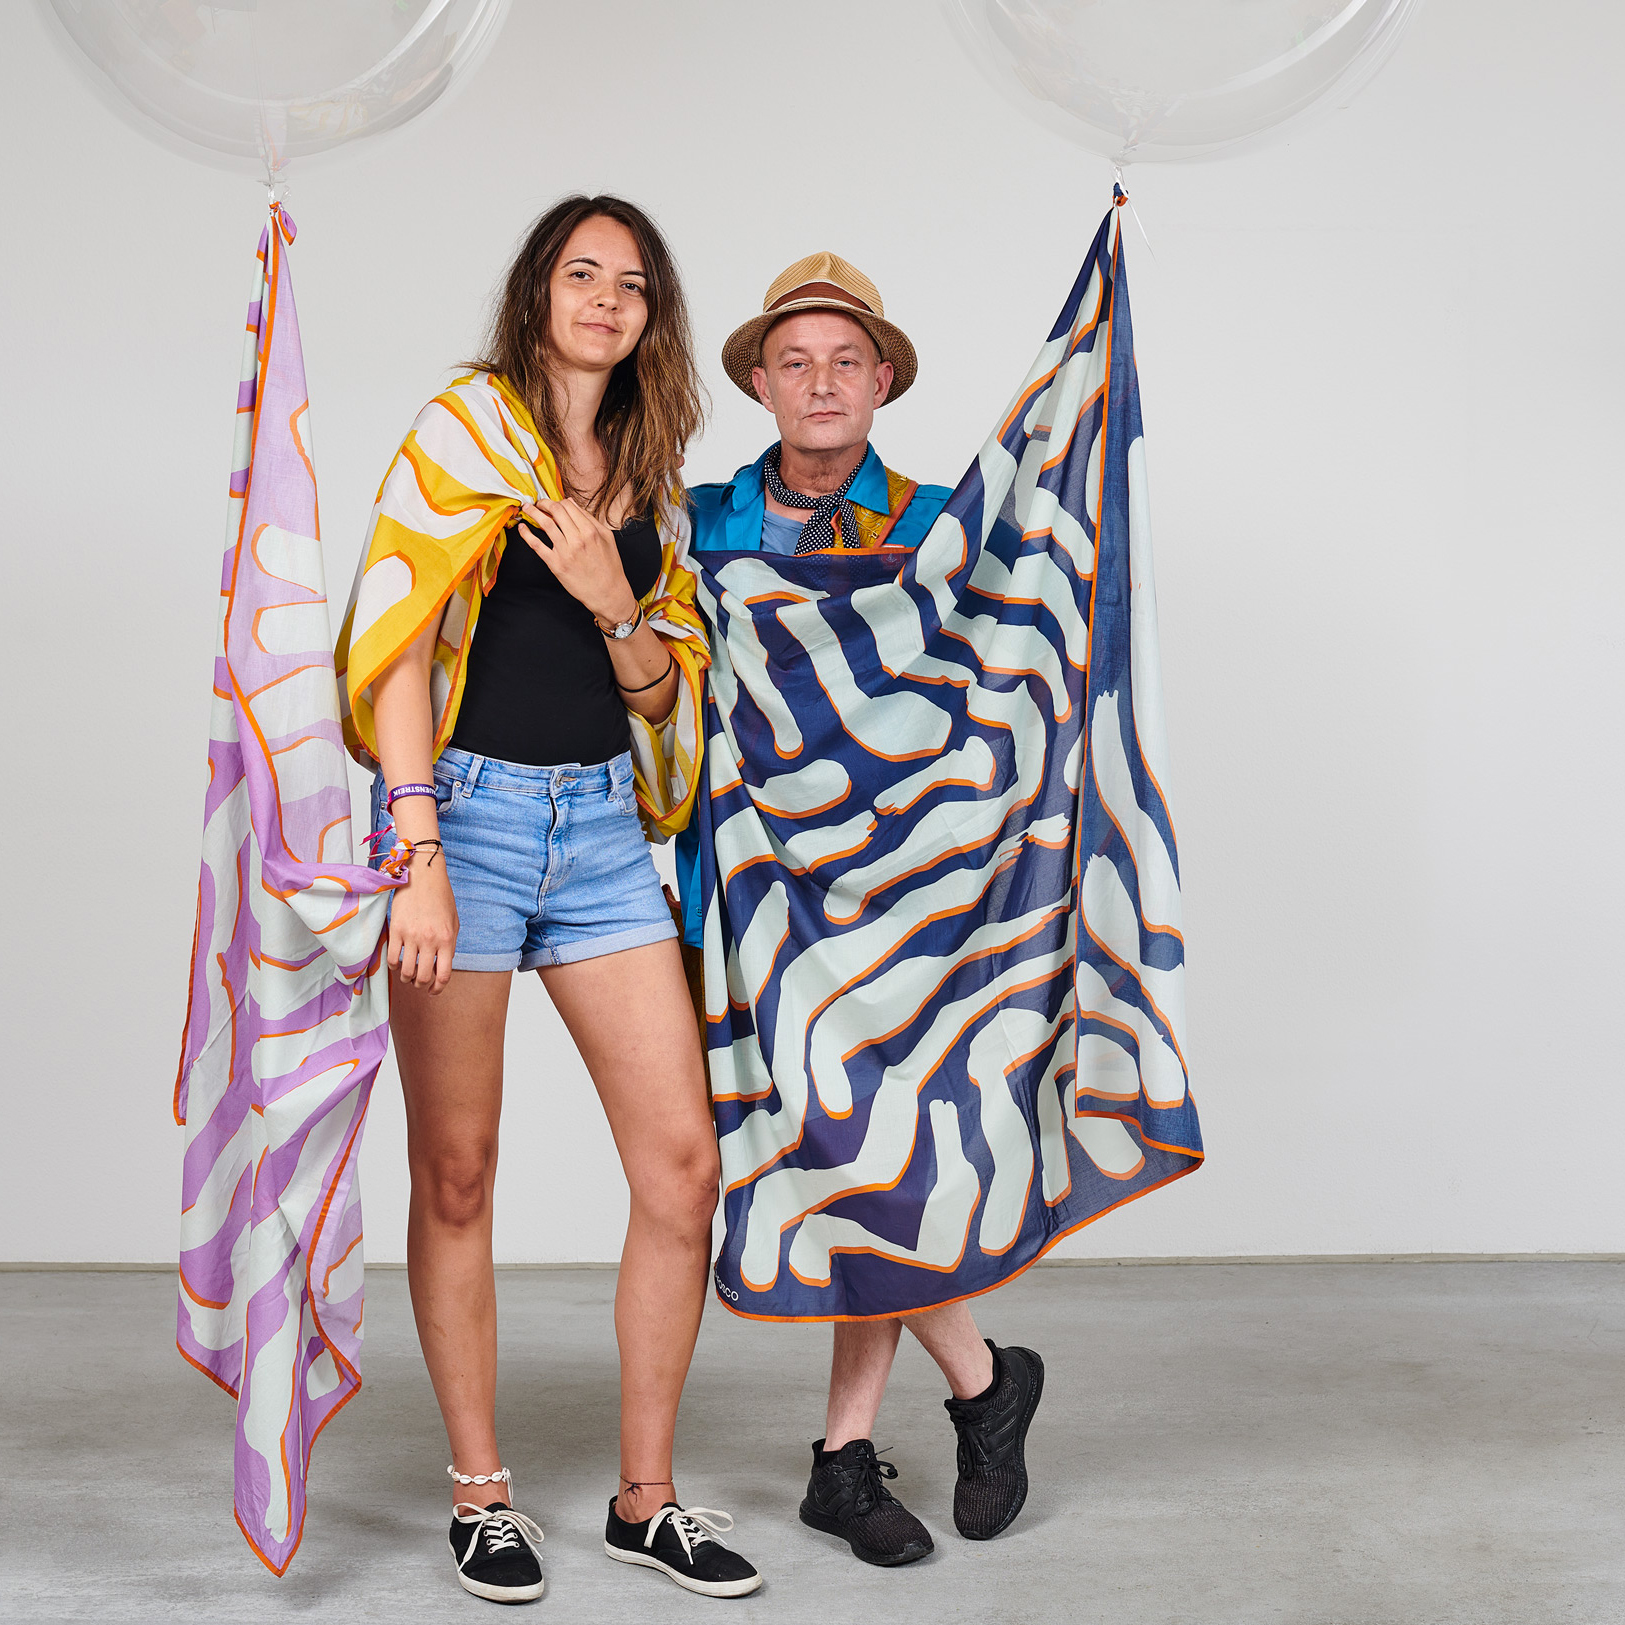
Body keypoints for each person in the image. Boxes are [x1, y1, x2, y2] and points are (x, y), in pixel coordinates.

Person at [335, 195, 760, 1603]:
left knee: (682, 1167)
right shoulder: (463, 429)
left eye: (630, 283)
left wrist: (606, 595)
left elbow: (663, 693)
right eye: (582, 273)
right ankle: (480, 1493)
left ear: (651, 316)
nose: (605, 299)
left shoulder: (654, 479)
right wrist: (417, 851)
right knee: (457, 1169)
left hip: (602, 837)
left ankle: (647, 1499)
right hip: (462, 819)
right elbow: (397, 645)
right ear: (537, 292)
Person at [675, 252, 1045, 1567]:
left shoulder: (945, 526)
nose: (820, 382)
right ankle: (979, 1383)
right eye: (795, 362)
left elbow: (1005, 670)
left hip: (908, 898)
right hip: (760, 893)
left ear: (882, 379)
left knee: (870, 1144)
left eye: (845, 361)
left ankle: (844, 1456)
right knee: (836, 1143)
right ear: (758, 384)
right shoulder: (696, 523)